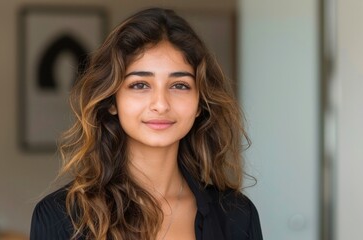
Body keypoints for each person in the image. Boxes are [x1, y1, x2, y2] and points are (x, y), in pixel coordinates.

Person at [30, 7, 263, 240]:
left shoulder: (237, 216)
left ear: (199, 103)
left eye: (179, 85)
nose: (161, 104)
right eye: (140, 85)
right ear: (112, 100)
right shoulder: (61, 218)